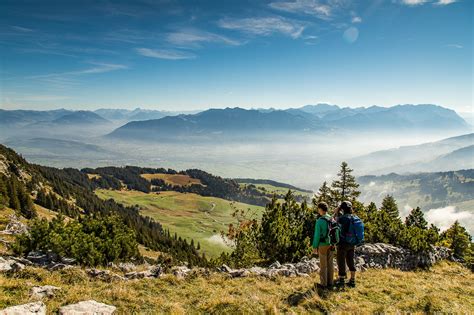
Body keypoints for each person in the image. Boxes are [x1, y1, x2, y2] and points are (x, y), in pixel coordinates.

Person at [312, 202, 334, 290]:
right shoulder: (332, 219)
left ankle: (323, 284)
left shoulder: (320, 221)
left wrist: (314, 247)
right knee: (330, 264)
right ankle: (330, 282)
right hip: (331, 244)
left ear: (321, 210)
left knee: (323, 265)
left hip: (323, 245)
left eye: (318, 209)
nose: (318, 211)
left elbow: (317, 235)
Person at [335, 201, 357, 288]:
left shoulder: (342, 218)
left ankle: (341, 280)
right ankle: (352, 280)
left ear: (342, 209)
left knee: (341, 261)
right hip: (352, 243)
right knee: (351, 261)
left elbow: (333, 222)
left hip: (343, 243)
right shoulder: (354, 217)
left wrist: (337, 212)